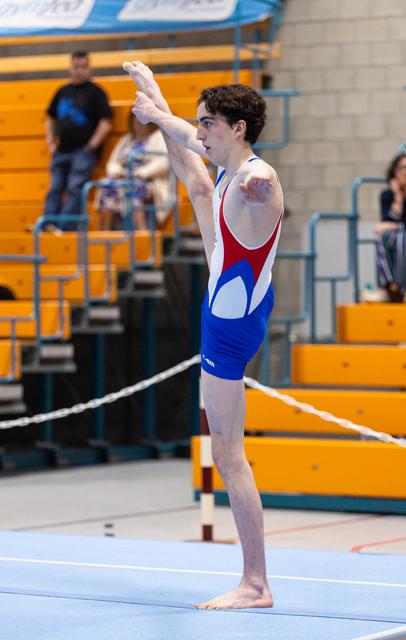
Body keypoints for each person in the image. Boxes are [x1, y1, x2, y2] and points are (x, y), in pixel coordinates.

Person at [123, 60, 284, 610]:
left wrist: (261, 186)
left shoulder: (253, 176)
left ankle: (256, 584)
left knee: (228, 455)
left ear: (237, 128)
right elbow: (193, 171)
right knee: (195, 183)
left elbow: (261, 186)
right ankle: (254, 581)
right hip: (236, 296)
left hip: (230, 326)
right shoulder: (223, 174)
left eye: (208, 125)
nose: (201, 133)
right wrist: (155, 100)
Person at [43, 51, 112, 231]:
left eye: (83, 67)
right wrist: (51, 142)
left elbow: (105, 123)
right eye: (76, 67)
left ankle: (64, 228)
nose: (79, 71)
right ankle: (47, 224)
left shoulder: (96, 93)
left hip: (83, 151)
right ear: (70, 68)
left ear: (89, 68)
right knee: (55, 188)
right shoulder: (62, 91)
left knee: (75, 188)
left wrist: (91, 146)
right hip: (61, 150)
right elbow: (50, 118)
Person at [368, 153, 406, 303]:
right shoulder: (387, 196)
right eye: (401, 168)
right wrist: (398, 198)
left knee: (403, 236)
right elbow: (386, 228)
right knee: (383, 238)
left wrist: (396, 226)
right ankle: (387, 287)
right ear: (394, 172)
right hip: (403, 243)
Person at [96, 113, 170, 231]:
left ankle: (141, 231)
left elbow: (164, 161)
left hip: (148, 180)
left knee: (133, 187)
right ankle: (105, 232)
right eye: (135, 120)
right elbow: (113, 162)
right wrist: (117, 173)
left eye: (141, 121)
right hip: (123, 178)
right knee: (106, 185)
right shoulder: (127, 138)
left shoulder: (158, 136)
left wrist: (139, 173)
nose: (138, 123)